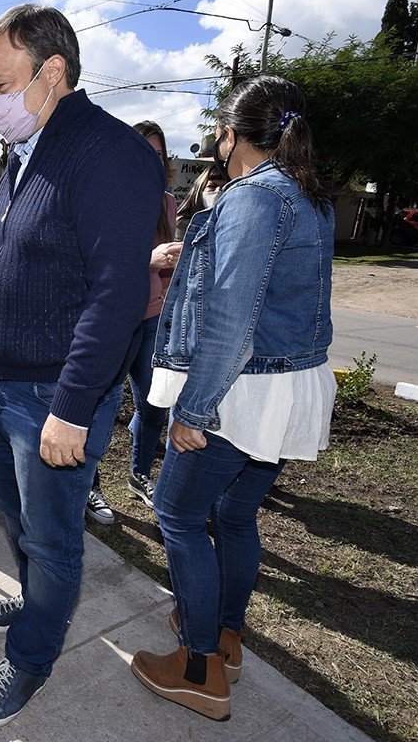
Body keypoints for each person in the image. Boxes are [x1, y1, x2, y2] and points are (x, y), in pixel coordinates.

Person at [0, 4, 163, 730]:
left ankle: (32, 655)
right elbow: (8, 262)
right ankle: (33, 593)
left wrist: (73, 408)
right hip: (4, 379)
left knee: (52, 537)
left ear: (53, 72)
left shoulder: (108, 153)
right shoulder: (28, 150)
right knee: (11, 513)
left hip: (55, 393)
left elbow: (117, 295)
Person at [130, 75, 335, 721]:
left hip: (241, 391)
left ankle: (198, 670)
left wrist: (192, 412)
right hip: (284, 385)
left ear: (230, 134)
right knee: (235, 514)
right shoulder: (310, 196)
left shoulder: (252, 198)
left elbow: (229, 319)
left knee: (179, 513)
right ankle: (225, 638)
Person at [85, 120, 182, 524]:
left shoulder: (167, 203)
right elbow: (96, 261)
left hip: (154, 316)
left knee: (154, 402)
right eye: (144, 152)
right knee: (98, 403)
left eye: (158, 155)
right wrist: (148, 261)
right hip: (115, 317)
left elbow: (169, 262)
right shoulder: (106, 197)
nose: (151, 161)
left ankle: (140, 475)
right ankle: (90, 485)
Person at [175, 163, 226, 239]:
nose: (218, 191)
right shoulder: (184, 223)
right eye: (212, 186)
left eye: (225, 187)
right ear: (200, 189)